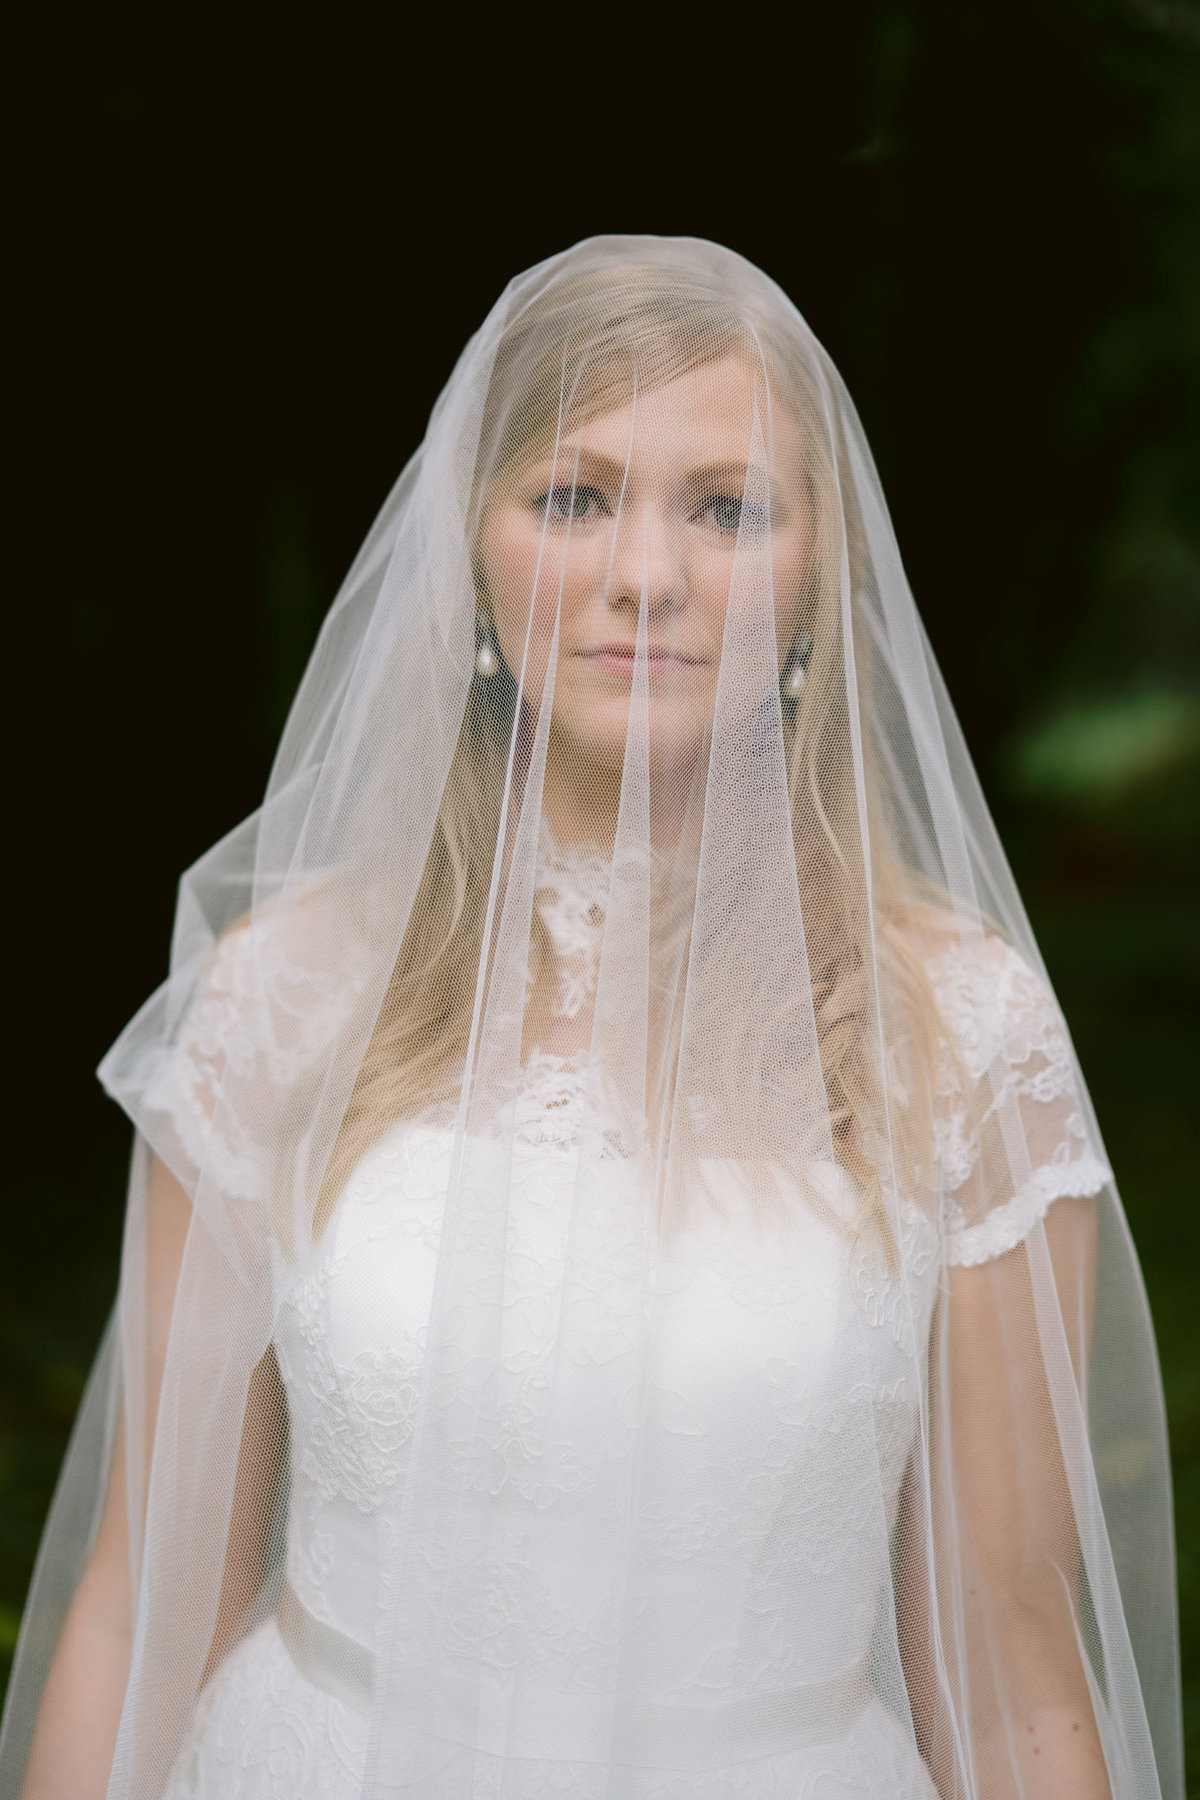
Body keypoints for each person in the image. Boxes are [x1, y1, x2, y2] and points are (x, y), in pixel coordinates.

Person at [0, 236, 1181, 1800]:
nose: (647, 576)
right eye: (574, 496)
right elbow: (141, 1607)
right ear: (472, 556)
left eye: (727, 507)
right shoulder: (289, 997)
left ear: (818, 573)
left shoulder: (961, 1038)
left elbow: (1018, 1679)